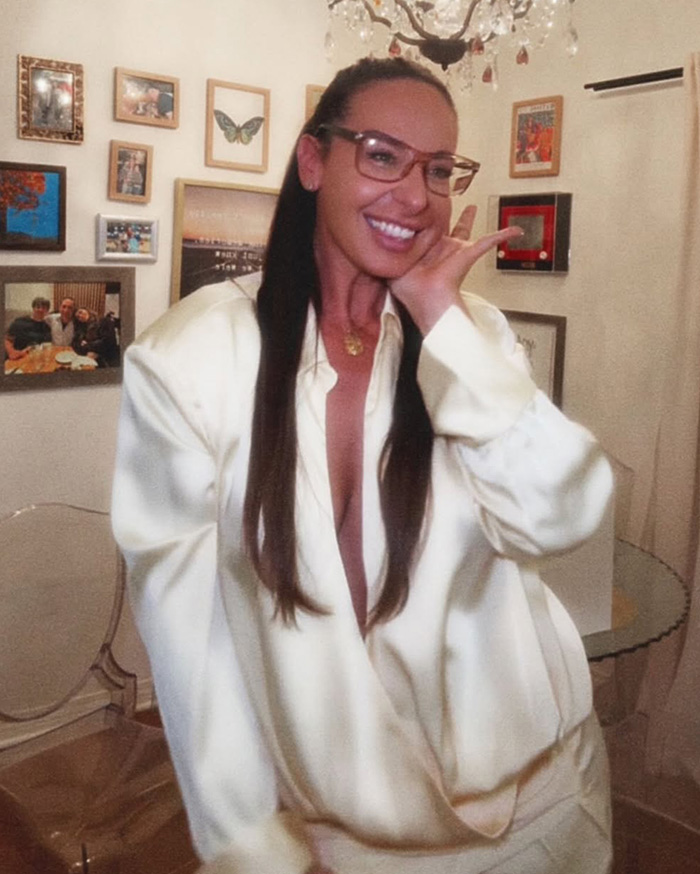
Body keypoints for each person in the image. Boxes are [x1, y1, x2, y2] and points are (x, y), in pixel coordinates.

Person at [112, 57, 613, 874]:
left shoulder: (470, 335)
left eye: (440, 169)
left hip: (545, 802)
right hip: (349, 839)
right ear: (315, 162)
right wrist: (247, 841)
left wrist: (442, 320)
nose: (416, 197)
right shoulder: (189, 359)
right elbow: (187, 626)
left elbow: (560, 514)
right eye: (382, 155)